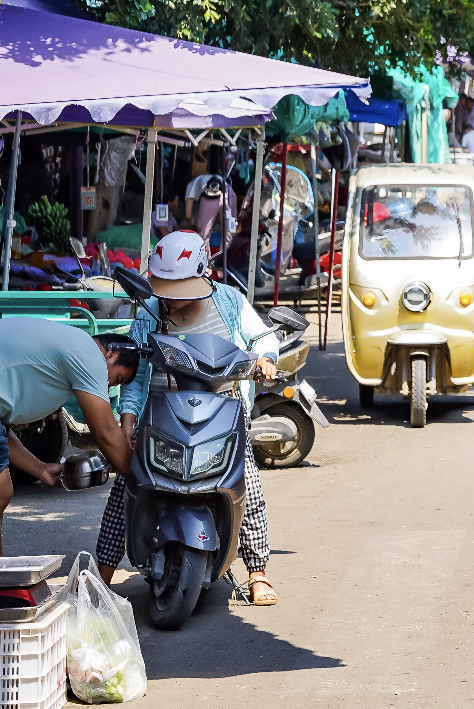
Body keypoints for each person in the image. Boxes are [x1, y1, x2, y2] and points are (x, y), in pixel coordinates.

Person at [95, 231, 281, 604]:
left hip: (223, 413)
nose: (169, 296)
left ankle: (257, 573)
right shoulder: (149, 312)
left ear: (201, 276)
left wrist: (265, 360)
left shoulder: (230, 302)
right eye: (165, 286)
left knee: (248, 487)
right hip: (163, 416)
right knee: (126, 486)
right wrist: (128, 420)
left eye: (178, 286)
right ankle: (100, 577)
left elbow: (262, 338)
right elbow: (134, 374)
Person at [0, 321, 137, 554]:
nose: (108, 385)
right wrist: (139, 481)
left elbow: (3, 433)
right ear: (111, 353)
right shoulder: (89, 354)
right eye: (117, 378)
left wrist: (40, 469)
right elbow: (104, 432)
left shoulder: (66, 354)